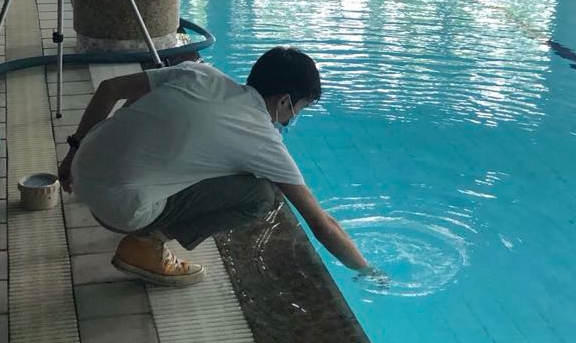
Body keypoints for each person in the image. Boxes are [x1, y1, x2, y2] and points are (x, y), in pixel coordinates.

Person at [58, 47, 371, 287]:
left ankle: (130, 200)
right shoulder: (263, 141)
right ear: (284, 102)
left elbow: (109, 89)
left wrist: (72, 155)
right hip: (119, 211)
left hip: (81, 172)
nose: (294, 117)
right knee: (261, 194)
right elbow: (322, 224)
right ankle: (146, 244)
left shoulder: (200, 73)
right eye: (299, 108)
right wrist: (367, 271)